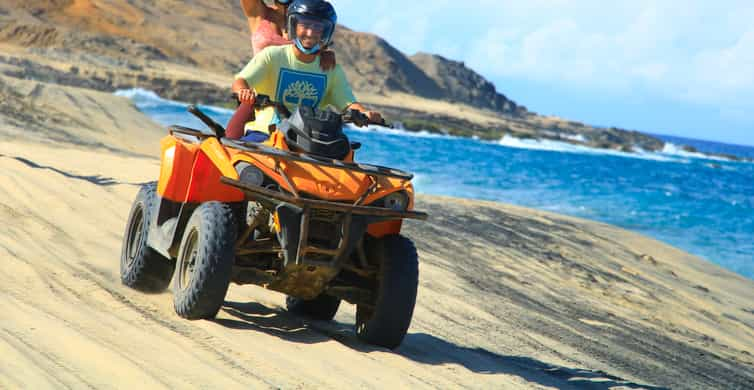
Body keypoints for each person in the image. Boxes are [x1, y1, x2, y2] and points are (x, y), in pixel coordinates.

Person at [227, 0, 382, 142]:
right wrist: (244, 92)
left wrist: (364, 114)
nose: (310, 32)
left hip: (308, 137)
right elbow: (240, 82)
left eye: (317, 27)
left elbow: (348, 103)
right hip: (264, 124)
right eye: (305, 26)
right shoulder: (270, 48)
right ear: (293, 26)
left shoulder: (330, 67)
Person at [240, 0, 336, 69]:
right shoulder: (258, 13)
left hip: (293, 88)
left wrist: (325, 54)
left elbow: (317, 49)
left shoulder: (311, 21)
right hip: (260, 91)